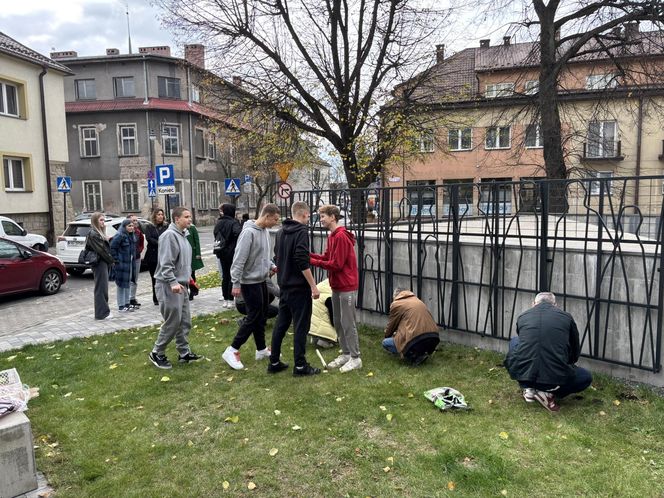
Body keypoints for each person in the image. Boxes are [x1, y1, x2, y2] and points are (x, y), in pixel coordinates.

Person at [504, 292, 593, 413]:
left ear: (533, 304)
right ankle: (547, 392)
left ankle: (529, 389)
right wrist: (569, 363)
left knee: (515, 341)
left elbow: (525, 344)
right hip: (554, 378)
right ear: (555, 305)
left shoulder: (523, 316)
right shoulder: (566, 317)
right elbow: (575, 348)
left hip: (524, 374)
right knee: (585, 377)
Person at [221, 204, 280, 370]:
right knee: (253, 316)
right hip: (248, 282)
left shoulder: (265, 232)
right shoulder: (248, 233)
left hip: (260, 280)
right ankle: (232, 349)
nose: (276, 223)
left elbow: (262, 255)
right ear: (267, 216)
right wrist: (236, 282)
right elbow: (239, 259)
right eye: (275, 219)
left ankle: (261, 349)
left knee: (261, 315)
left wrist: (271, 265)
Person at [269, 202, 321, 376]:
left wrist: (282, 271)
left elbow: (277, 256)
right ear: (305, 214)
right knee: (301, 326)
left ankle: (274, 361)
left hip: (284, 286)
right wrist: (313, 286)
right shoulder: (301, 232)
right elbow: (301, 260)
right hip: (298, 288)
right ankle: (300, 366)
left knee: (281, 324)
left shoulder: (281, 232)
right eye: (309, 216)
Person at [148, 207, 202, 369]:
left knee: (185, 321)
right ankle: (157, 352)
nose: (190, 219)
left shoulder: (183, 235)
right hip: (169, 286)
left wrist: (190, 279)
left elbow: (182, 262)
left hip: (182, 285)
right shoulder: (169, 236)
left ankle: (184, 353)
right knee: (173, 321)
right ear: (176, 219)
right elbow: (166, 263)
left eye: (190, 216)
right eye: (186, 217)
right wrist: (173, 282)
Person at [310, 205, 362, 372]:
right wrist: (308, 255)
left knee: (348, 323)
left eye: (323, 216)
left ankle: (355, 357)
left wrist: (312, 261)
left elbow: (336, 264)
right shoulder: (332, 235)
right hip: (337, 285)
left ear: (333, 217)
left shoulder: (340, 236)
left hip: (346, 286)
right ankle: (346, 354)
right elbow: (327, 257)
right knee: (338, 322)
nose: (321, 219)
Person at [382, 289, 439, 364]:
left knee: (386, 343)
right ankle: (422, 352)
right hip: (434, 338)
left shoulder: (397, 304)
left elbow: (391, 325)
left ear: (395, 296)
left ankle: (413, 356)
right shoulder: (418, 301)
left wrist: (387, 335)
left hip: (416, 340)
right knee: (416, 340)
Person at [85, 212, 114, 320]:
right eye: (101, 220)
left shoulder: (98, 232)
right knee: (101, 288)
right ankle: (102, 313)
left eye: (104, 220)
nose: (103, 222)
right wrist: (112, 261)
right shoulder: (94, 234)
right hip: (99, 262)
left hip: (102, 262)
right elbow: (102, 250)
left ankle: (103, 311)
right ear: (95, 221)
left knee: (103, 287)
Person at [214, 203, 241, 307]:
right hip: (232, 252)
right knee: (231, 275)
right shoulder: (233, 222)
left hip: (221, 251)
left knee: (225, 276)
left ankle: (225, 299)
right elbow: (238, 234)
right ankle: (230, 299)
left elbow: (216, 234)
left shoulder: (219, 222)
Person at [110, 218, 136, 313]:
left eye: (132, 226)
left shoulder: (131, 236)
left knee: (128, 284)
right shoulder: (119, 235)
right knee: (121, 285)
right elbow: (112, 248)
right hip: (121, 264)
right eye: (129, 226)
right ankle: (121, 305)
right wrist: (116, 260)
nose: (131, 228)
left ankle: (127, 303)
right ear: (124, 227)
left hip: (129, 264)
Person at [144, 208, 168, 305]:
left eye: (162, 214)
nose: (160, 216)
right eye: (158, 214)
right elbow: (149, 238)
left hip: (164, 255)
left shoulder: (167, 227)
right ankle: (156, 298)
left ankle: (165, 296)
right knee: (155, 278)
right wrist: (160, 243)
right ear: (154, 216)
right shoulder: (149, 227)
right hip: (153, 256)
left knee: (165, 277)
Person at [128, 214, 144, 308]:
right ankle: (127, 299)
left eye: (136, 221)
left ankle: (132, 298)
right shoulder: (124, 233)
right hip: (127, 259)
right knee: (128, 279)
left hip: (136, 258)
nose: (135, 222)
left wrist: (139, 250)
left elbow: (141, 243)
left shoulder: (138, 232)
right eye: (133, 221)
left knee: (134, 279)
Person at [186, 223, 204, 301]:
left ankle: (192, 291)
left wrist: (198, 253)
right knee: (184, 274)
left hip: (192, 254)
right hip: (184, 254)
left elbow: (197, 241)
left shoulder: (192, 228)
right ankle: (186, 291)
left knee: (192, 273)